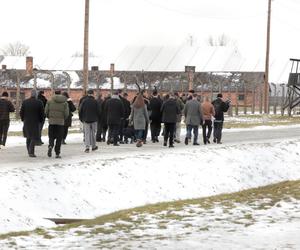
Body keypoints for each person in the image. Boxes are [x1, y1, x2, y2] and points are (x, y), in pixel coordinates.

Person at [20, 89, 44, 157]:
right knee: (34, 137)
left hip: (27, 121)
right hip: (35, 122)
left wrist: (23, 119)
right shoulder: (39, 102)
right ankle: (31, 152)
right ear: (36, 95)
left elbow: (21, 112)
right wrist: (41, 120)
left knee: (28, 136)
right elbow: (42, 113)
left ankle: (29, 150)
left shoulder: (25, 102)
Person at [45, 90, 69, 158]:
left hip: (52, 122)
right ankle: (57, 153)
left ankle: (50, 146)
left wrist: (49, 117)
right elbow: (66, 113)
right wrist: (63, 118)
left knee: (51, 136)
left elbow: (46, 111)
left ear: (54, 93)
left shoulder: (49, 101)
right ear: (60, 94)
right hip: (60, 123)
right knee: (59, 138)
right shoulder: (65, 102)